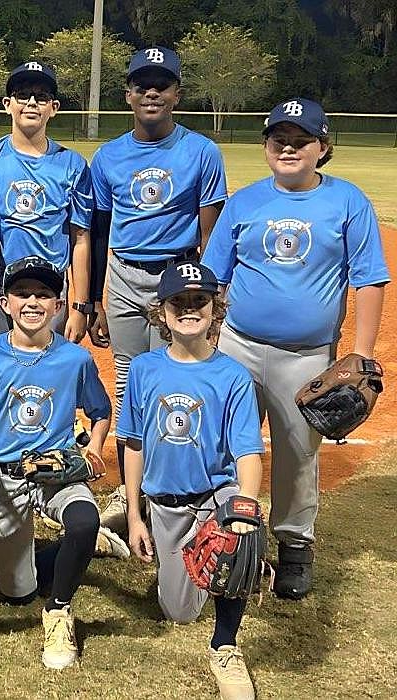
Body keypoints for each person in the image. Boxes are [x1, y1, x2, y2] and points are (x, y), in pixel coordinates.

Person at [202, 98, 390, 599]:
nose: (288, 148)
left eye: (300, 140)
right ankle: (226, 534)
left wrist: (362, 353)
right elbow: (215, 276)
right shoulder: (244, 203)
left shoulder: (347, 202)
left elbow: (369, 280)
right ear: (265, 147)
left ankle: (293, 546)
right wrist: (208, 340)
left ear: (322, 147)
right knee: (226, 444)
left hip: (306, 355)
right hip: (238, 345)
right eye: (278, 139)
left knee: (297, 452)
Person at [89, 46, 228, 535]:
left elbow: (210, 233)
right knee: (130, 382)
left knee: (176, 378)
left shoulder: (202, 152)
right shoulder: (108, 157)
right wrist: (96, 301)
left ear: (176, 94)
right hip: (125, 276)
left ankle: (179, 483)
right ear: (128, 94)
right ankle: (136, 491)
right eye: (142, 84)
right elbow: (101, 232)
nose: (152, 91)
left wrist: (210, 296)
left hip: (180, 279)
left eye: (162, 84)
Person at [119, 261, 265, 700]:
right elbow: (134, 444)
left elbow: (248, 453)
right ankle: (115, 536)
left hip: (214, 494)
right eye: (178, 302)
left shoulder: (234, 376)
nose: (189, 309)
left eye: (199, 301)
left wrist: (246, 508)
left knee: (235, 544)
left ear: (214, 310)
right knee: (179, 613)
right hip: (165, 503)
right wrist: (134, 516)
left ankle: (225, 645)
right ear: (160, 313)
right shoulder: (144, 369)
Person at [0, 256, 112, 670]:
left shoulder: (75, 359)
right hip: (5, 477)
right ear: (5, 303)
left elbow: (100, 412)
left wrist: (94, 448)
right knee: (18, 592)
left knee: (84, 520)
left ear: (59, 304)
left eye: (44, 294)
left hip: (56, 471)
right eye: (22, 293)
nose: (33, 302)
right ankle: (72, 552)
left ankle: (60, 610)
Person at [0, 62, 94, 352]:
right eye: (23, 95)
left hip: (47, 287)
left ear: (54, 107)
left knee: (44, 374)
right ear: (8, 104)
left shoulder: (72, 165)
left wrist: (79, 306)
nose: (32, 103)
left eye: (42, 96)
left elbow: (80, 238)